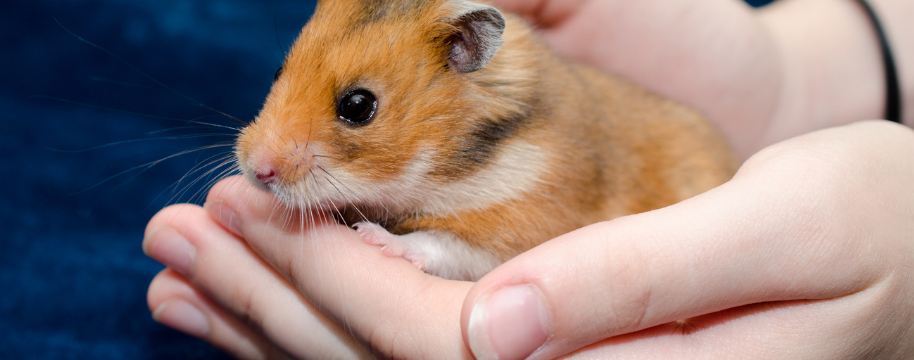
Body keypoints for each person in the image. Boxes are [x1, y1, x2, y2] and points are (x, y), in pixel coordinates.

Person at [142, 0, 914, 358]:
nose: (263, 156)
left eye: (355, 108)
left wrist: (437, 250)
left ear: (466, 55)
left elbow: (522, 239)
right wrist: (795, 76)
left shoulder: (532, 153)